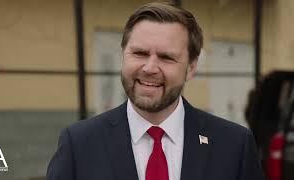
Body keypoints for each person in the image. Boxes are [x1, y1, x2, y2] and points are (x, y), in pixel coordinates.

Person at [47, 2, 265, 180]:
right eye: (140, 53)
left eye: (166, 57)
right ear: (123, 55)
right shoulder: (79, 144)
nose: (150, 68)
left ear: (191, 68)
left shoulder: (234, 145)